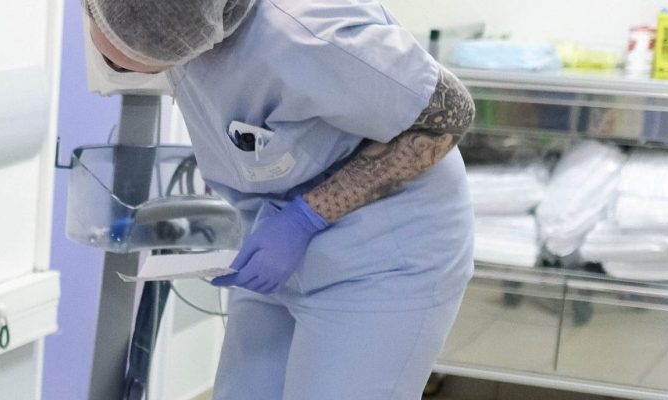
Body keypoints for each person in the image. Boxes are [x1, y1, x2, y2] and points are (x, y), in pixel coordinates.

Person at [79, 0, 477, 399]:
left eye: (131, 59)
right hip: (275, 248)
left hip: (385, 256)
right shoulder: (189, 21)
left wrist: (304, 219)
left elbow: (451, 113)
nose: (113, 63)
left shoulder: (308, 31)